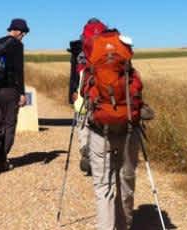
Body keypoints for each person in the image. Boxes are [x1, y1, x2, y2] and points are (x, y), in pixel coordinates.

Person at [81, 30, 144, 230]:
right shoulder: (131, 73)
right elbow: (138, 99)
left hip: (100, 131)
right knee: (126, 181)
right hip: (128, 131)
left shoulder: (89, 73)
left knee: (103, 187)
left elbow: (84, 99)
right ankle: (124, 224)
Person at [0, 18, 29, 175]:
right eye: (23, 34)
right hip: (8, 90)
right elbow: (18, 70)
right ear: (19, 32)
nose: (23, 37)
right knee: (9, 124)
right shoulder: (17, 45)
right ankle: (1, 160)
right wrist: (22, 93)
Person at [70, 18, 107, 176]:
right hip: (100, 93)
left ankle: (85, 148)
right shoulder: (107, 44)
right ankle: (97, 156)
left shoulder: (79, 48)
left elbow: (74, 73)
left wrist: (72, 91)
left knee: (83, 124)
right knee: (99, 126)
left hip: (81, 93)